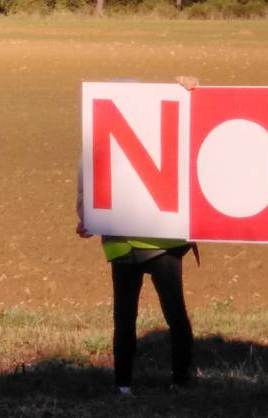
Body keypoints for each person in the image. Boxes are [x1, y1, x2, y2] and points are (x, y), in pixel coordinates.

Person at [76, 166, 196, 395]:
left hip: (155, 243)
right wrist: (89, 218)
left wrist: (88, 216)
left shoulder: (96, 144)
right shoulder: (97, 144)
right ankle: (141, 383)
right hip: (141, 244)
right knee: (145, 316)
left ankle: (149, 383)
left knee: (142, 317)